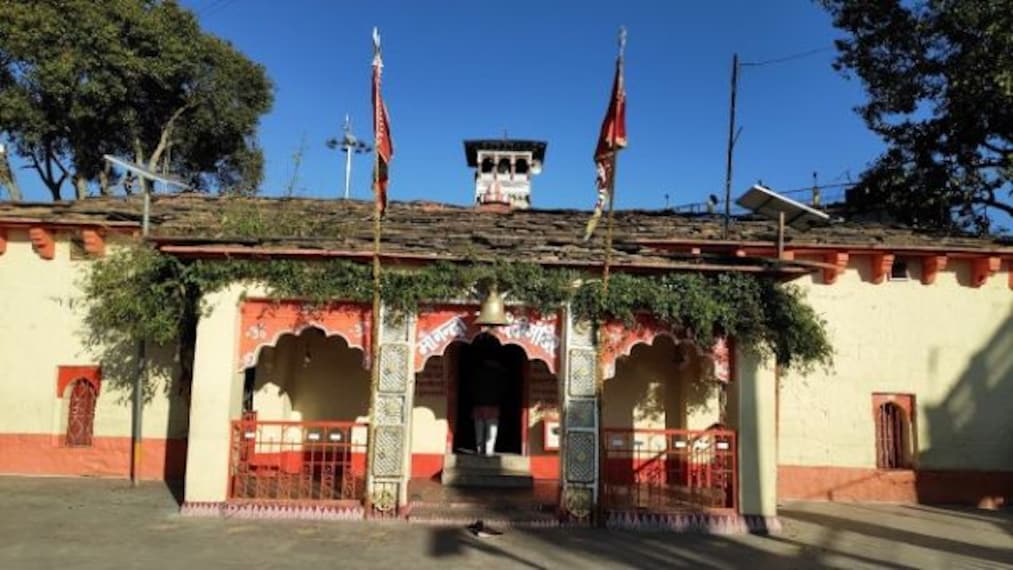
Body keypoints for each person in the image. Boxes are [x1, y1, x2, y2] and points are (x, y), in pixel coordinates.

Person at [471, 357, 506, 456]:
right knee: (492, 431)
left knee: (479, 430)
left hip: (478, 405)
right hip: (493, 406)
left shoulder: (477, 374)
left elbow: (471, 388)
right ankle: (489, 452)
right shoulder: (498, 375)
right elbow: (502, 390)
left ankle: (479, 450)